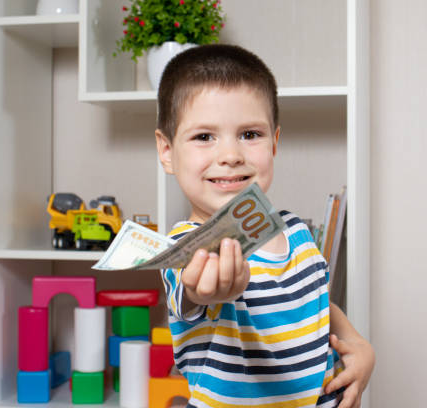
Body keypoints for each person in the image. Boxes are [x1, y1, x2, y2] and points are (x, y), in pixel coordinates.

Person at [155, 44, 375, 408]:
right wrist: (207, 290)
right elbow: (191, 289)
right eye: (204, 137)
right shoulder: (185, 248)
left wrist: (358, 345)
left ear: (274, 142)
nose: (230, 155)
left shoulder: (297, 233)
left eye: (249, 134)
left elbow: (317, 304)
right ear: (167, 151)